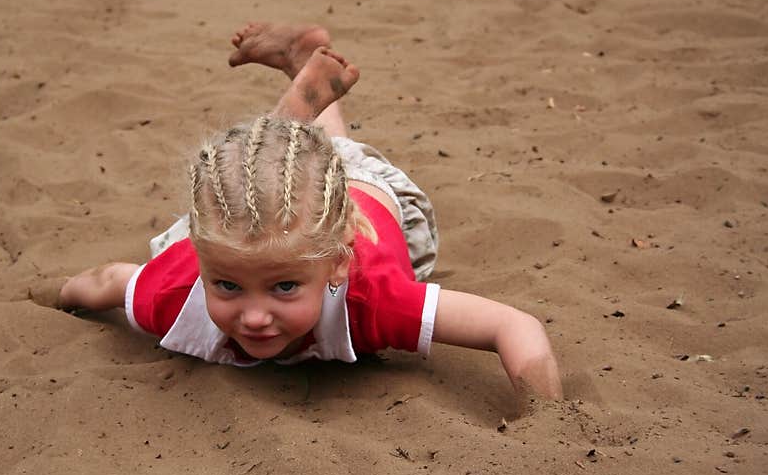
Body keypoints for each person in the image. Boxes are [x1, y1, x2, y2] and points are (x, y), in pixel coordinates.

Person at [37, 22, 563, 402]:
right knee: (277, 180)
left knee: (334, 156)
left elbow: (512, 326)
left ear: (339, 264)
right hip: (262, 223)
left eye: (284, 287)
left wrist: (546, 418)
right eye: (227, 287)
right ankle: (293, 110)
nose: (256, 315)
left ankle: (294, 114)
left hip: (365, 200)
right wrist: (61, 294)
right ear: (200, 266)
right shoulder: (175, 294)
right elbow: (109, 283)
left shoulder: (375, 299)